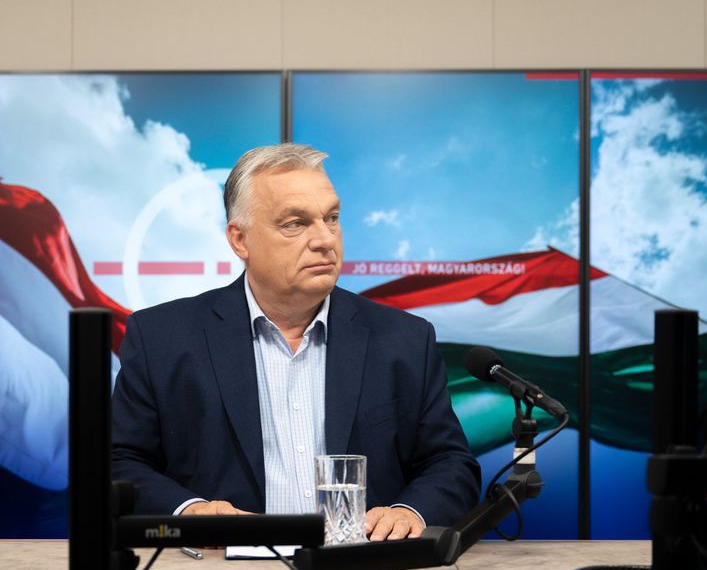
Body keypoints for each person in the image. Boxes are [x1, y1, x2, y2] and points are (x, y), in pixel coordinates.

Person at [111, 143, 479, 540]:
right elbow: (119, 462)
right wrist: (190, 512)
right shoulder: (162, 337)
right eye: (295, 224)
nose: (325, 239)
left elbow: (450, 463)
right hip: (221, 566)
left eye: (332, 218)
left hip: (363, 565)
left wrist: (409, 512)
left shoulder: (405, 339)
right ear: (240, 239)